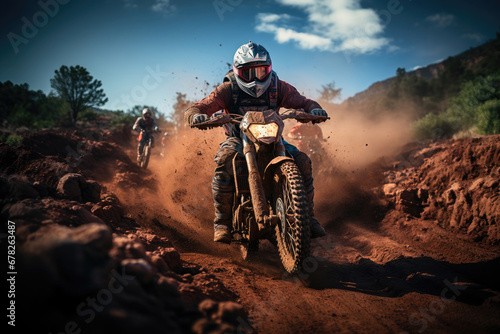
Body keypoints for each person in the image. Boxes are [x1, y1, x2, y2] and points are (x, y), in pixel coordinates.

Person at [185, 42, 327, 243]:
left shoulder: (278, 87)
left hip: (274, 137)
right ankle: (222, 222)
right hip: (238, 138)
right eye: (248, 73)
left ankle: (308, 217)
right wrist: (195, 116)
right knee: (225, 160)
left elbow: (304, 102)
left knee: (302, 160)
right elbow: (200, 106)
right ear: (237, 71)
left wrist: (314, 109)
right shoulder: (228, 89)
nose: (255, 78)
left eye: (261, 71)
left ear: (269, 68)